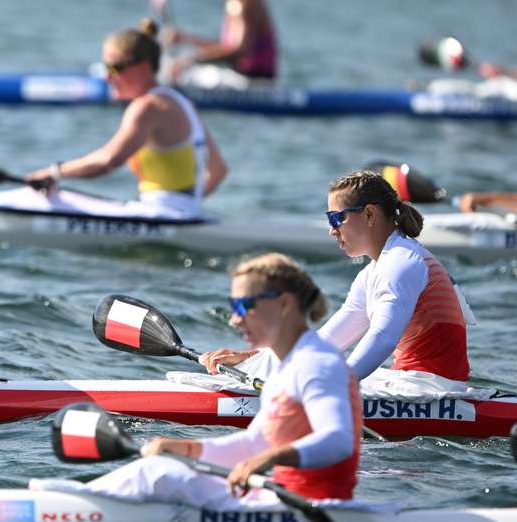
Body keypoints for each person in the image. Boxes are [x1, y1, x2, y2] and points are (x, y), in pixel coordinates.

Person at [33, 253, 361, 506]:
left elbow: (338, 441)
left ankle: (69, 506)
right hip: (276, 498)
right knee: (165, 468)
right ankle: (79, 498)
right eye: (233, 307)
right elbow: (253, 443)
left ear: (286, 304)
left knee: (157, 474)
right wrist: (186, 448)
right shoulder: (285, 364)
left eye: (244, 306)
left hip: (313, 507)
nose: (234, 319)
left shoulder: (316, 364)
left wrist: (268, 459)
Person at [205, 170, 471, 383]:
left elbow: (383, 338)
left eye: (336, 218)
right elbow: (330, 340)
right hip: (410, 382)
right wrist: (258, 357)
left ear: (369, 214)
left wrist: (336, 384)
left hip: (431, 388)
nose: (332, 230)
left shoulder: (401, 263)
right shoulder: (374, 271)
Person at [25, 20, 228, 220]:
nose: (106, 77)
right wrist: (186, 209)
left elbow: (108, 161)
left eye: (114, 68)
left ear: (143, 67)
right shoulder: (183, 102)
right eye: (105, 68)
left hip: (160, 216)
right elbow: (219, 170)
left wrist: (54, 172)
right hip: (187, 215)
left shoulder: (147, 107)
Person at [163, 0, 277, 81]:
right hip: (239, 75)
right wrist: (185, 38)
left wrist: (192, 60)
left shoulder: (246, 3)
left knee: (175, 75)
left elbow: (240, 49)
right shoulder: (233, 4)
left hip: (253, 80)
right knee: (169, 67)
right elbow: (225, 47)